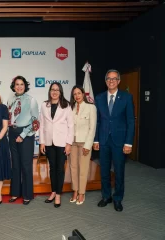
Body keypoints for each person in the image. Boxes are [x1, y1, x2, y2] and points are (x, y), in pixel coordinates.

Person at [93, 69, 135, 212]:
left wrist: (128, 142)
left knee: (119, 171)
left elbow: (130, 121)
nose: (111, 81)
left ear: (119, 81)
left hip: (120, 141)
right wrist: (96, 140)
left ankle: (117, 198)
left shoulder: (126, 97)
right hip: (104, 140)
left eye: (114, 78)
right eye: (108, 79)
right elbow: (97, 121)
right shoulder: (99, 98)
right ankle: (106, 196)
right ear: (105, 81)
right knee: (104, 171)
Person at [39, 82, 74, 208]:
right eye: (52, 90)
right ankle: (53, 191)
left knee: (60, 169)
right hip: (48, 142)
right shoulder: (44, 105)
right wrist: (42, 141)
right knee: (52, 168)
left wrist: (69, 143)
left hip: (62, 142)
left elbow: (71, 125)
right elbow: (42, 124)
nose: (54, 92)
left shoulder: (66, 105)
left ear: (60, 92)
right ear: (49, 91)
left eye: (57, 90)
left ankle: (58, 194)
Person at [7, 76, 39, 205]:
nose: (19, 86)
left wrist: (23, 134)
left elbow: (36, 122)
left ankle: (27, 194)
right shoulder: (10, 99)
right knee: (15, 165)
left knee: (26, 166)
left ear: (25, 86)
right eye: (17, 84)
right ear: (13, 86)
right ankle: (15, 192)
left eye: (21, 84)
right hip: (12, 132)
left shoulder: (31, 100)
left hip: (25, 134)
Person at [68, 85, 97, 205]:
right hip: (72, 142)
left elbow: (92, 128)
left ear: (83, 94)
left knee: (83, 169)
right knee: (73, 168)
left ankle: (81, 193)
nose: (77, 96)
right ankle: (75, 190)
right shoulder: (70, 108)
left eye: (79, 93)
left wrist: (88, 145)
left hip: (84, 142)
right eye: (74, 94)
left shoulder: (91, 108)